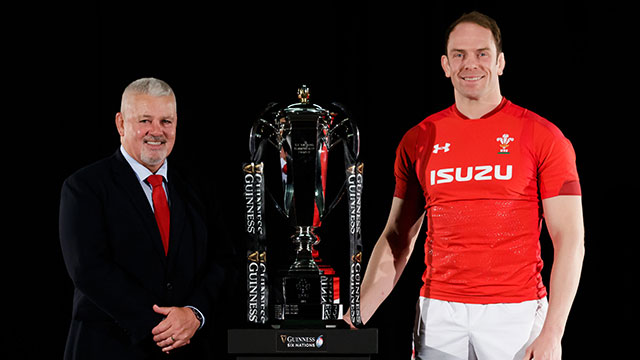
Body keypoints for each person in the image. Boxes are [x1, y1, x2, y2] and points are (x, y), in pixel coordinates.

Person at [350, 11, 584, 360]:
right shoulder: (418, 140)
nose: (470, 64)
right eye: (459, 54)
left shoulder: (543, 136)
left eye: (482, 53)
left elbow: (570, 240)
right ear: (445, 65)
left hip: (515, 314)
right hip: (439, 314)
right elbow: (397, 238)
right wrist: (355, 319)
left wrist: (553, 332)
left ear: (501, 62)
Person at [60, 78, 227, 359]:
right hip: (108, 349)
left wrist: (195, 314)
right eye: (145, 120)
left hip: (188, 349)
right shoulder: (84, 187)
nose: (156, 132)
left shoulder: (198, 188)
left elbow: (223, 259)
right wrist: (163, 327)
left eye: (166, 121)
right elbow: (88, 269)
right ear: (121, 124)